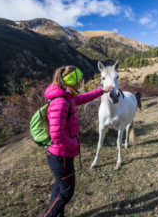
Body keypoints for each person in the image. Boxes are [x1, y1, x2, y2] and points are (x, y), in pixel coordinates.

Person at [42, 65, 112, 217]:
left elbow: (82, 98)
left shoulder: (67, 95)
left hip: (60, 155)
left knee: (59, 188)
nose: (82, 81)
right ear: (73, 81)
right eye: (80, 79)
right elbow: (57, 135)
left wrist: (102, 91)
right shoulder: (60, 102)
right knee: (66, 192)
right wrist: (74, 144)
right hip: (61, 156)